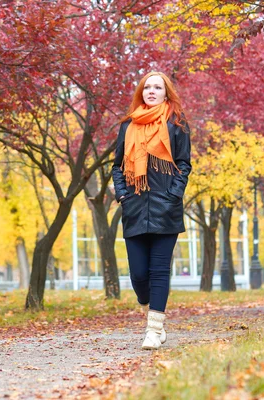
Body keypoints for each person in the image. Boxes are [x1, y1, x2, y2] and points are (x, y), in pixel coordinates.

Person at [112, 71, 192, 350]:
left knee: (159, 271)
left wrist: (173, 195)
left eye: (157, 87)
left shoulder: (177, 125)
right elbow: (117, 165)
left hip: (165, 208)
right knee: (138, 275)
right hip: (134, 206)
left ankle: (154, 330)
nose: (152, 91)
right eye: (147, 87)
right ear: (141, 92)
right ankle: (150, 309)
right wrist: (122, 193)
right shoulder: (127, 126)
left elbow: (184, 165)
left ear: (166, 92)